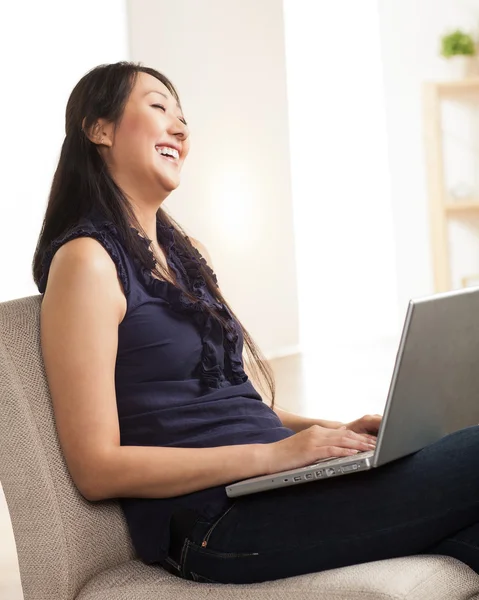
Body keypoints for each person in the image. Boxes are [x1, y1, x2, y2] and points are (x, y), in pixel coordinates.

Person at [34, 61, 479, 585]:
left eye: (184, 119)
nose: (180, 129)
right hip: (216, 524)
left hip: (275, 489)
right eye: (159, 108)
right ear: (99, 128)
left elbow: (238, 402)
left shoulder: (188, 255)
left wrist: (332, 432)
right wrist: (272, 457)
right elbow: (95, 467)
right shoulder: (87, 262)